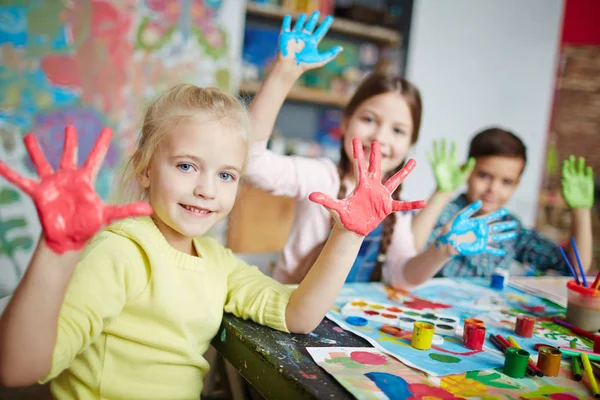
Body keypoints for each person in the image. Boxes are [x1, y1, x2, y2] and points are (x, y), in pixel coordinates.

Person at [0, 83, 416, 399]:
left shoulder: (217, 261)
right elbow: (16, 369)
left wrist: (348, 235)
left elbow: (297, 315)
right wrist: (57, 252)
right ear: (145, 169)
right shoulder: (121, 252)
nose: (206, 189)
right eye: (186, 166)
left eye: (226, 175)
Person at [244, 12, 516, 286]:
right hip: (289, 309)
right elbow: (252, 165)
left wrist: (442, 250)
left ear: (410, 144)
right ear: (346, 121)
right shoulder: (321, 177)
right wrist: (282, 75)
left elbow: (402, 277)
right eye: (369, 120)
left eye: (398, 130)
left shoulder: (393, 204)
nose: (379, 139)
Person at [412, 127, 594, 278]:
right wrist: (441, 193)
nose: (493, 188)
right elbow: (409, 248)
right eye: (484, 176)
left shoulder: (511, 229)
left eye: (506, 182)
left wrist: (581, 211)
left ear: (516, 184)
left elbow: (576, 268)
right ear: (467, 171)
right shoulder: (445, 213)